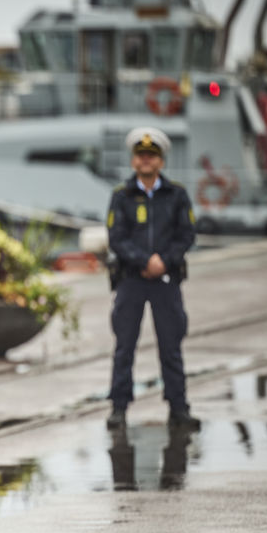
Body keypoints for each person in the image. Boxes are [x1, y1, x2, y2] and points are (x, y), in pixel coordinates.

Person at [106, 127, 200, 432]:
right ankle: (119, 408)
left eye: (151, 155)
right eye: (141, 155)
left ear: (160, 161)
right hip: (132, 279)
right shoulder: (122, 197)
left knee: (171, 346)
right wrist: (144, 261)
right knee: (125, 346)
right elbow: (116, 237)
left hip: (165, 280)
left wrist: (164, 261)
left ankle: (178, 407)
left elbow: (186, 234)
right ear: (134, 161)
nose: (146, 160)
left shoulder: (176, 195)